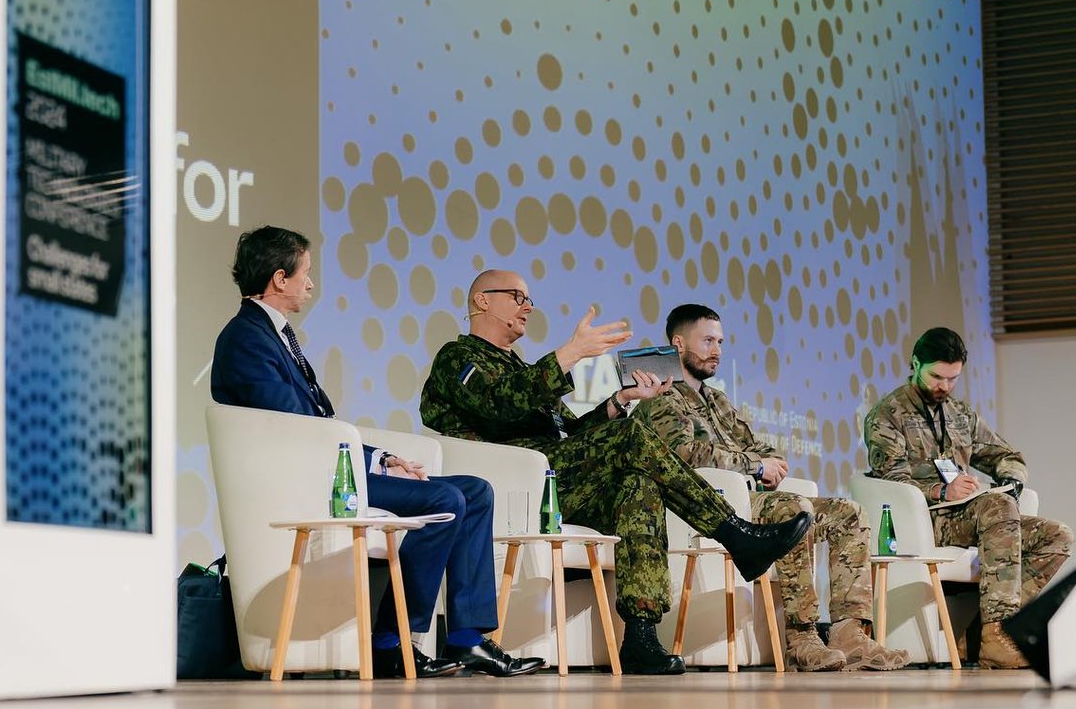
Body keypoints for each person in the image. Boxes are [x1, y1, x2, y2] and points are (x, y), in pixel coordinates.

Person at [420, 269, 813, 675]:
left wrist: (621, 399)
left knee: (638, 485)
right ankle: (735, 534)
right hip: (516, 487)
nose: (528, 307)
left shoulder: (521, 368)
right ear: (483, 300)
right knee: (631, 437)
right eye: (517, 297)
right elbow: (498, 404)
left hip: (558, 479)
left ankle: (641, 637)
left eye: (529, 299)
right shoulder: (458, 358)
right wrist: (570, 353)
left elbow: (572, 434)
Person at [211, 226, 542, 679]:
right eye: (306, 273)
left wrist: (384, 459)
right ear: (280, 278)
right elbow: (295, 426)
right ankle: (391, 641)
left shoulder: (274, 335)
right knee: (445, 500)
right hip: (308, 480)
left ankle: (467, 638)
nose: (311, 284)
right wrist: (363, 461)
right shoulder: (246, 338)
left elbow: (320, 425)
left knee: (476, 491)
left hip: (328, 467)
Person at [635, 304, 910, 671]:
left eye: (720, 342)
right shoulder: (662, 396)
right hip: (708, 508)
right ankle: (802, 636)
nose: (716, 350)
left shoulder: (717, 399)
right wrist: (754, 465)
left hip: (748, 500)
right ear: (678, 343)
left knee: (848, 513)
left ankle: (850, 632)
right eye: (707, 341)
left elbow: (760, 447)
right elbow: (684, 454)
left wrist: (768, 462)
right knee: (794, 510)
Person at [863, 326, 1074, 669]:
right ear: (914, 364)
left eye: (952, 379)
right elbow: (891, 480)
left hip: (969, 517)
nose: (944, 386)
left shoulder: (961, 415)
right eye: (936, 377)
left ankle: (984, 633)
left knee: (1057, 536)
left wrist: (1012, 480)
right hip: (924, 520)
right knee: (997, 507)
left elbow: (1008, 456)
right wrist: (940, 490)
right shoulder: (887, 415)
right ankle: (997, 637)